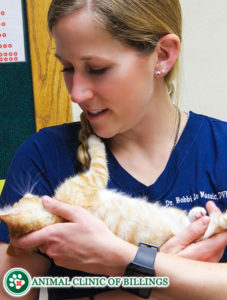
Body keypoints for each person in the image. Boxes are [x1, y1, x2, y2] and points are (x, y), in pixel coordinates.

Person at [0, 0, 227, 299]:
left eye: (97, 69)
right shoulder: (43, 157)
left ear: (162, 55)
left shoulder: (220, 149)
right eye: (67, 68)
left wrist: (121, 259)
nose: (76, 93)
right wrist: (162, 276)